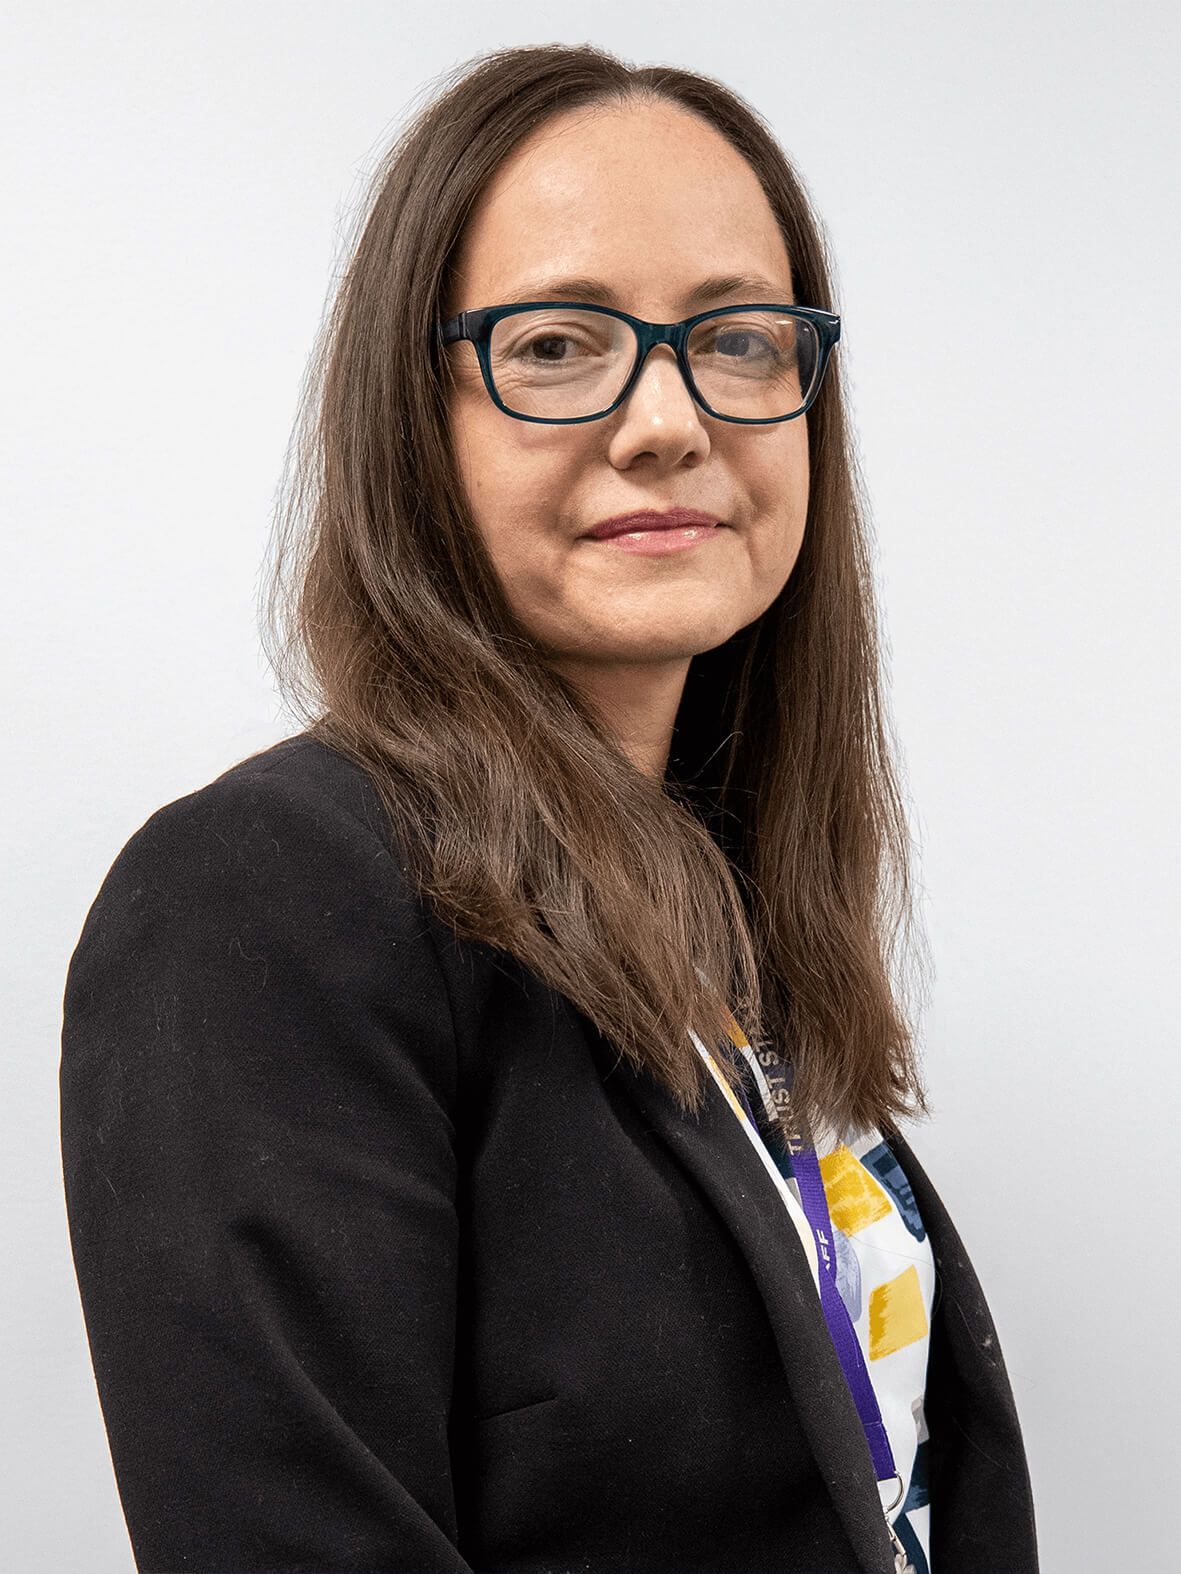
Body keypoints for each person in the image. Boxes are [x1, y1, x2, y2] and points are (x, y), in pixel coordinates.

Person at [59, 42, 1039, 1574]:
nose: (667, 420)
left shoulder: (725, 919)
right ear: (414, 417)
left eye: (738, 337)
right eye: (560, 344)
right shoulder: (267, 897)